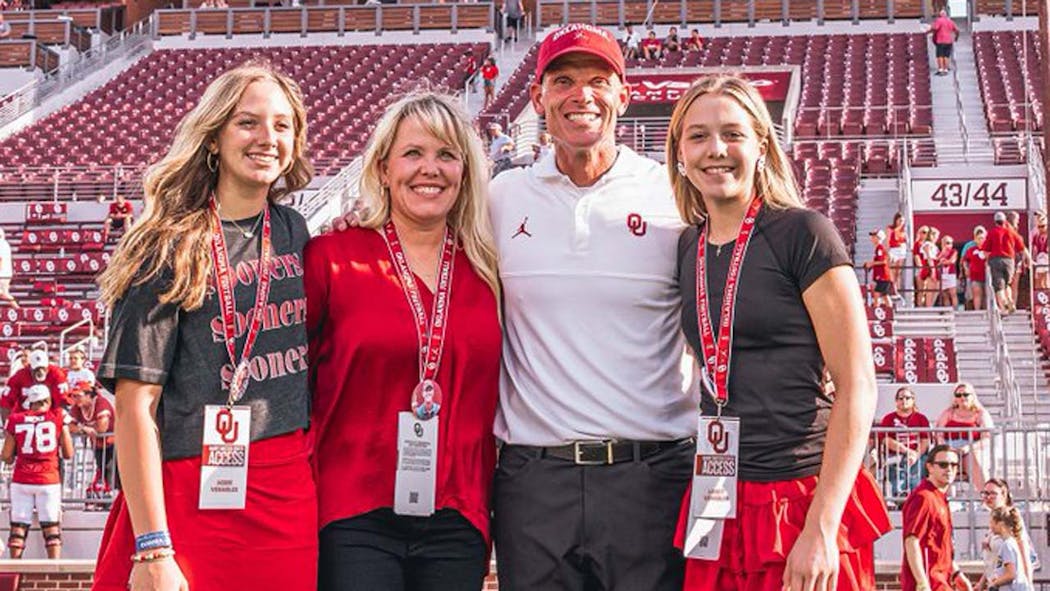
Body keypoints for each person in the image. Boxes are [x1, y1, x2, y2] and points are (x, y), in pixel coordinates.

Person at [90, 64, 317, 591]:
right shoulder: (163, 244)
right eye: (248, 123)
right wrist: (152, 547)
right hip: (186, 489)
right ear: (213, 136)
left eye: (283, 126)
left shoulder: (296, 231)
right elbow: (133, 404)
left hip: (285, 490)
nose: (268, 139)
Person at [489, 24, 696, 591]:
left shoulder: (673, 195)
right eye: (563, 81)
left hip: (650, 474)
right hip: (535, 478)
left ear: (624, 95)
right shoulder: (500, 198)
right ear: (537, 98)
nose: (581, 95)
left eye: (598, 80)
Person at [666, 74, 890, 591]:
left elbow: (858, 385)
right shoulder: (686, 247)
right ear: (680, 152)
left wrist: (822, 526)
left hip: (799, 494)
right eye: (698, 136)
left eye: (732, 134)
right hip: (717, 494)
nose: (715, 149)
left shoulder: (804, 233)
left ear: (762, 145)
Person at [307, 92, 501, 591]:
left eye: (446, 154)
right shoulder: (332, 257)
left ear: (465, 170)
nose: (429, 169)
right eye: (413, 153)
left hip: (458, 515)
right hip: (353, 510)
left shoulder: (491, 271)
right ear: (384, 167)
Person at [2, 384, 74, 559]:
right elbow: (68, 453)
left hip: (22, 478)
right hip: (48, 478)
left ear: (30, 403)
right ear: (48, 400)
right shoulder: (58, 416)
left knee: (18, 528)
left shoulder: (16, 419)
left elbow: (6, 455)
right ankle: (54, 569)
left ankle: (15, 571)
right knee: (51, 529)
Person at [901, 444, 973, 591]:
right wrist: (922, 584)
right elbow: (911, 541)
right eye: (943, 464)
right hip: (929, 582)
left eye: (954, 465)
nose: (949, 469)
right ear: (930, 467)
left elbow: (940, 546)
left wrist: (957, 574)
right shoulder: (923, 497)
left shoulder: (939, 497)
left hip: (941, 580)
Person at [977, 479, 1039, 591]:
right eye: (985, 493)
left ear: (1004, 494)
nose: (987, 497)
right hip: (996, 584)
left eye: (992, 493)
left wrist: (1029, 584)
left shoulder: (1010, 519)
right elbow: (994, 561)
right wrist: (982, 583)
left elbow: (1023, 553)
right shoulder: (994, 521)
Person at [936, 382, 993, 492]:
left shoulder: (980, 413)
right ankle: (942, 499)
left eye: (966, 394)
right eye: (958, 395)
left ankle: (985, 495)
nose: (962, 398)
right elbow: (939, 433)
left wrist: (969, 448)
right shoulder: (948, 413)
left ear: (972, 396)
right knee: (944, 463)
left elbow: (987, 437)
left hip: (972, 449)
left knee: (975, 460)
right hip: (949, 448)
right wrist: (945, 448)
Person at [878, 386, 931, 499]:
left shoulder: (921, 418)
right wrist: (907, 451)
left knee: (918, 467)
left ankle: (916, 496)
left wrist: (915, 455)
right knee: (896, 467)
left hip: (918, 454)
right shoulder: (888, 418)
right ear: (896, 401)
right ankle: (900, 497)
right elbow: (886, 440)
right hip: (896, 453)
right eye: (901, 398)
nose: (904, 401)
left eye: (907, 398)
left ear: (913, 400)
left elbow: (925, 441)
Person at [69, 380, 118, 495]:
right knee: (102, 469)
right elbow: (69, 426)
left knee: (112, 469)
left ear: (88, 395)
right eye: (73, 396)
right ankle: (105, 494)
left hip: (115, 442)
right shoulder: (77, 407)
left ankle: (111, 494)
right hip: (98, 444)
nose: (75, 399)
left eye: (78, 396)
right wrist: (84, 429)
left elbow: (102, 428)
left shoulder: (101, 403)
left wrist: (82, 426)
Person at [2, 350, 68, 423]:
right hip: (25, 416)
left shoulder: (57, 374)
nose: (40, 372)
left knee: (64, 420)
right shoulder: (19, 376)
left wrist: (57, 422)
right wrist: (7, 425)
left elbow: (62, 402)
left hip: (50, 416)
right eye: (37, 369)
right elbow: (5, 403)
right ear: (30, 367)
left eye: (43, 368)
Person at [983, 211, 1027, 313]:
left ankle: (1004, 307)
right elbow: (1021, 248)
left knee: (999, 286)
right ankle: (1010, 300)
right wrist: (1024, 261)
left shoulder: (992, 232)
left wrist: (987, 259)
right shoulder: (1011, 232)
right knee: (1007, 284)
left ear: (995, 222)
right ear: (1005, 221)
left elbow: (985, 250)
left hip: (996, 260)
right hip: (1009, 261)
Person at [986, 507, 1035, 591]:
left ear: (1001, 524)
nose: (990, 526)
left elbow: (1011, 574)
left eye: (992, 522)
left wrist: (995, 583)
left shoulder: (1007, 545)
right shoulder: (1011, 543)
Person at [964, 226, 988, 310]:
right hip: (975, 276)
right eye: (979, 238)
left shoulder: (988, 250)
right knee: (977, 293)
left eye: (982, 238)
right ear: (975, 239)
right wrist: (966, 269)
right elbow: (965, 261)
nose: (981, 240)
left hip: (986, 276)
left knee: (986, 295)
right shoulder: (971, 250)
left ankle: (987, 311)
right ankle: (977, 310)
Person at [867, 228, 893, 307]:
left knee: (877, 294)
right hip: (883, 276)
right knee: (884, 295)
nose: (872, 238)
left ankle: (877, 310)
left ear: (879, 238)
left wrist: (871, 263)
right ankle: (889, 310)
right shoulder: (879, 248)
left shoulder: (880, 248)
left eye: (874, 236)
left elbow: (883, 261)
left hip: (883, 276)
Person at [928, 10, 959, 75]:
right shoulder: (950, 21)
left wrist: (928, 32)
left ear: (940, 15)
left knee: (940, 55)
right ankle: (946, 69)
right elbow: (957, 30)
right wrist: (956, 38)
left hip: (941, 40)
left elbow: (935, 28)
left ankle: (941, 69)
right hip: (949, 41)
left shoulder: (939, 20)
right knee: (946, 55)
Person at [886, 212, 908, 295]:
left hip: (902, 250)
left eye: (902, 221)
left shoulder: (904, 231)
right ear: (895, 220)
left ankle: (897, 290)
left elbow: (905, 241)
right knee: (893, 270)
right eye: (899, 220)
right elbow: (888, 241)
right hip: (893, 250)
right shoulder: (890, 229)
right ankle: (893, 289)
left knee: (898, 272)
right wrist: (887, 252)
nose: (901, 222)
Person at [938, 234, 959, 308]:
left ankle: (955, 311)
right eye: (946, 243)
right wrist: (942, 254)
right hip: (942, 274)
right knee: (944, 295)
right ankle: (947, 311)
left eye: (949, 243)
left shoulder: (954, 251)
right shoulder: (940, 252)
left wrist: (942, 262)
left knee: (953, 293)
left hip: (950, 274)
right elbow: (937, 261)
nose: (948, 245)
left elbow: (952, 261)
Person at [0, 228, 17, 309]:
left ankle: (18, 309)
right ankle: (18, 310)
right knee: (5, 293)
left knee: (3, 293)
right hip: (7, 273)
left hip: (2, 274)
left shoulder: (1, 245)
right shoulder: (6, 244)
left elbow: (0, 260)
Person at [1032, 211, 1048, 290]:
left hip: (1046, 258)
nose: (1040, 228)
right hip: (1039, 259)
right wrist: (1033, 260)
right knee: (1038, 280)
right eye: (1039, 227)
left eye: (1042, 226)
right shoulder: (1036, 236)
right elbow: (1034, 250)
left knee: (1046, 280)